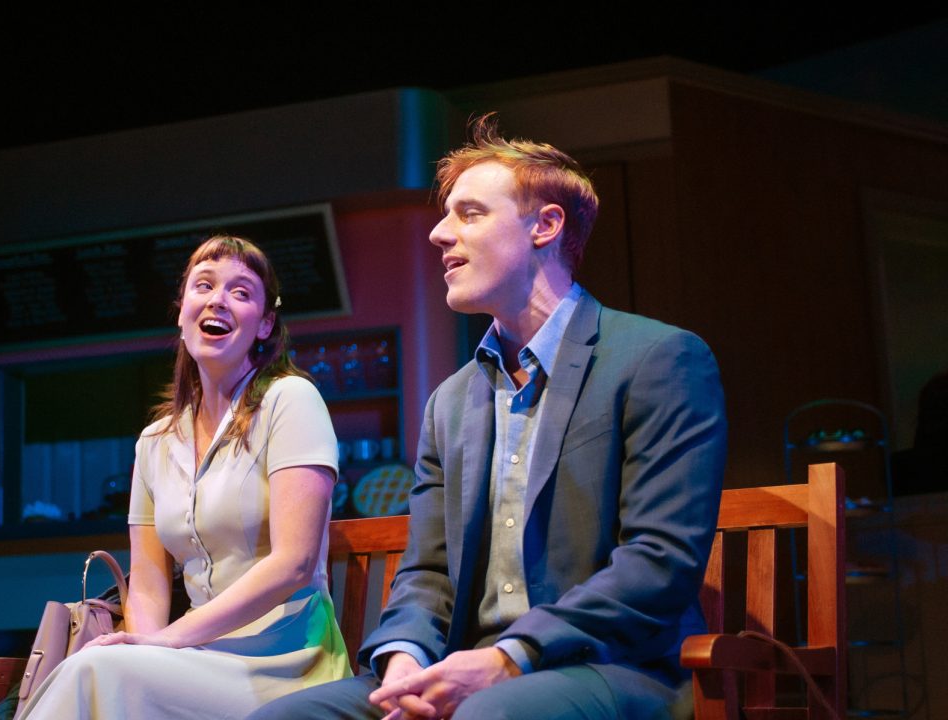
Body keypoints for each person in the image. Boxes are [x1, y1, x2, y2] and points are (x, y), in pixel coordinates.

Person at [250, 115, 727, 720]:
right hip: (463, 667)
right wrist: (404, 662)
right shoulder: (450, 400)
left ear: (545, 226)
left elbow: (658, 561)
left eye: (469, 213)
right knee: (285, 718)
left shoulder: (658, 359)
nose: (437, 234)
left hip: (611, 666)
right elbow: (426, 572)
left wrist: (510, 658)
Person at [16, 235, 350, 719]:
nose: (218, 299)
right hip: (192, 656)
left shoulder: (291, 400)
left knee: (92, 672)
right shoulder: (154, 442)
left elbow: (295, 563)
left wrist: (165, 643)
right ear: (181, 313)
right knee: (99, 669)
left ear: (266, 324)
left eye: (241, 292)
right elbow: (149, 586)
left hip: (285, 661)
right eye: (205, 285)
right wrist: (147, 648)